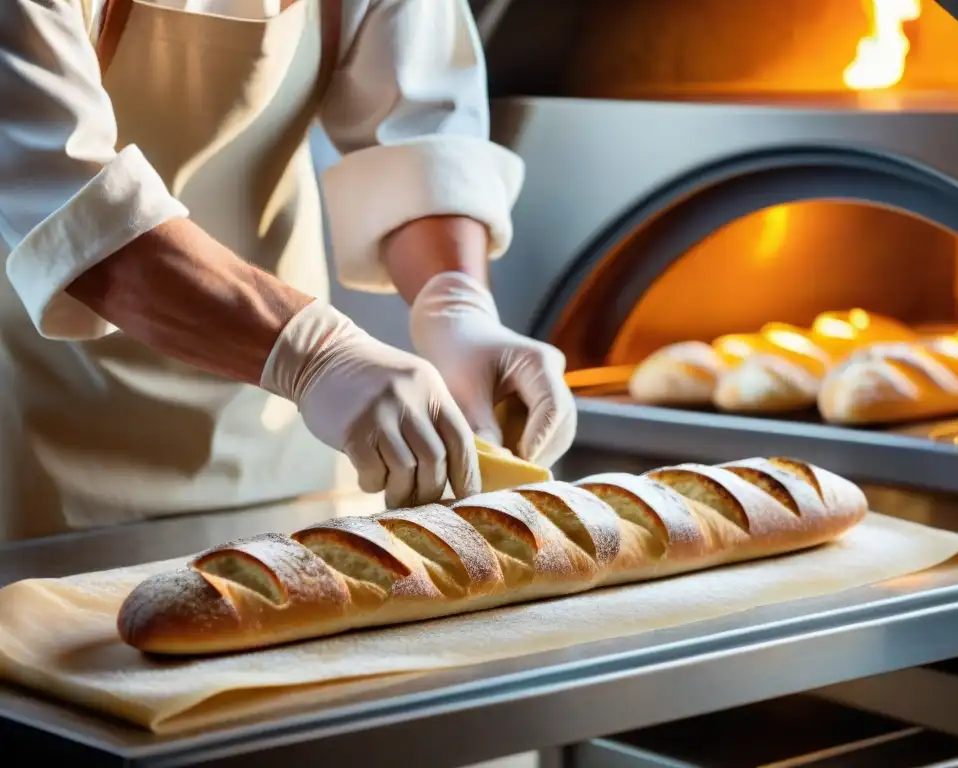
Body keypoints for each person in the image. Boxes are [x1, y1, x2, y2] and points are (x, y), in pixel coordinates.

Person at [0, 0, 577, 542]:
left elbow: (422, 133)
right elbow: (72, 209)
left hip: (286, 439)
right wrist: (313, 352)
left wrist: (455, 304)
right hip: (44, 445)